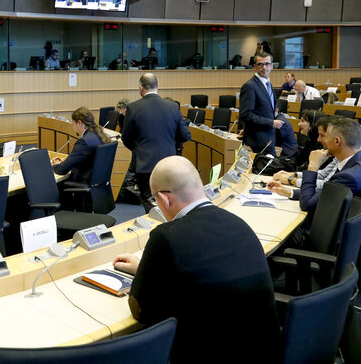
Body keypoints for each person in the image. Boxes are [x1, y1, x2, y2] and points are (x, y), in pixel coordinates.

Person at [113, 156, 279, 364]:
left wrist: (147, 276)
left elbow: (141, 310)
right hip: (263, 354)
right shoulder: (239, 224)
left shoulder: (166, 236)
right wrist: (145, 268)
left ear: (164, 199)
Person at [121, 73, 191, 212]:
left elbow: (126, 137)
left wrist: (138, 149)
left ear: (141, 88)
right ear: (158, 85)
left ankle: (154, 230)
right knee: (169, 200)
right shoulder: (173, 106)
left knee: (149, 201)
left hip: (144, 164)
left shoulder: (133, 108)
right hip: (169, 164)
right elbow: (185, 135)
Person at [269, 116, 361, 214]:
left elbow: (307, 204)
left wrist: (312, 167)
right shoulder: (353, 162)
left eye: (327, 137)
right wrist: (289, 192)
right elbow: (326, 194)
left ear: (337, 141)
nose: (321, 141)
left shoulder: (348, 177)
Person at [51, 107, 111, 183]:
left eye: (73, 123)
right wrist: (66, 162)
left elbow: (61, 170)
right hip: (97, 185)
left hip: (82, 183)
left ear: (79, 123)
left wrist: (56, 165)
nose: (73, 127)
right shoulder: (98, 135)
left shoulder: (84, 142)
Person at [239, 51, 279, 155]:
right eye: (260, 64)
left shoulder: (268, 84)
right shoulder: (250, 86)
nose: (264, 67)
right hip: (259, 140)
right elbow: (246, 114)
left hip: (269, 137)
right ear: (254, 67)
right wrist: (271, 123)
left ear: (272, 66)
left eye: (267, 64)